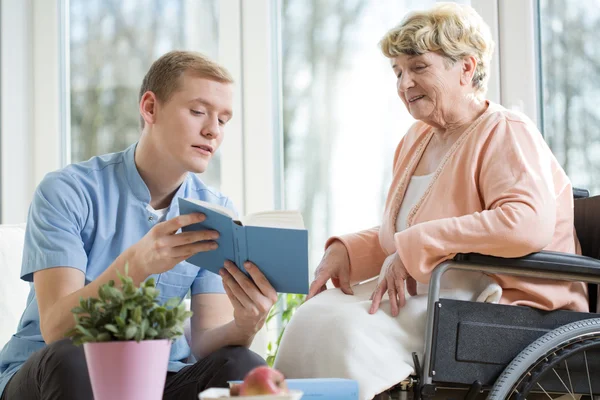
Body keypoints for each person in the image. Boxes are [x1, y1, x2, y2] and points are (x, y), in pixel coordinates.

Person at [273, 3, 587, 399]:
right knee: (313, 316)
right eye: (398, 72)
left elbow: (525, 223)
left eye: (419, 67)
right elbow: (407, 235)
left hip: (504, 300)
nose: (405, 83)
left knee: (344, 330)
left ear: (467, 68)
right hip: (443, 291)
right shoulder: (416, 139)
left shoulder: (505, 130)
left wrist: (416, 246)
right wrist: (349, 252)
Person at [0, 50, 278, 400]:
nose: (212, 131)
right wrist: (136, 266)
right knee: (74, 356)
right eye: (197, 112)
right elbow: (57, 327)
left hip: (158, 378)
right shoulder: (67, 191)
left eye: (223, 120)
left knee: (242, 364)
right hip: (51, 370)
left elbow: (207, 341)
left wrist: (245, 324)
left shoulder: (215, 212)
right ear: (150, 108)